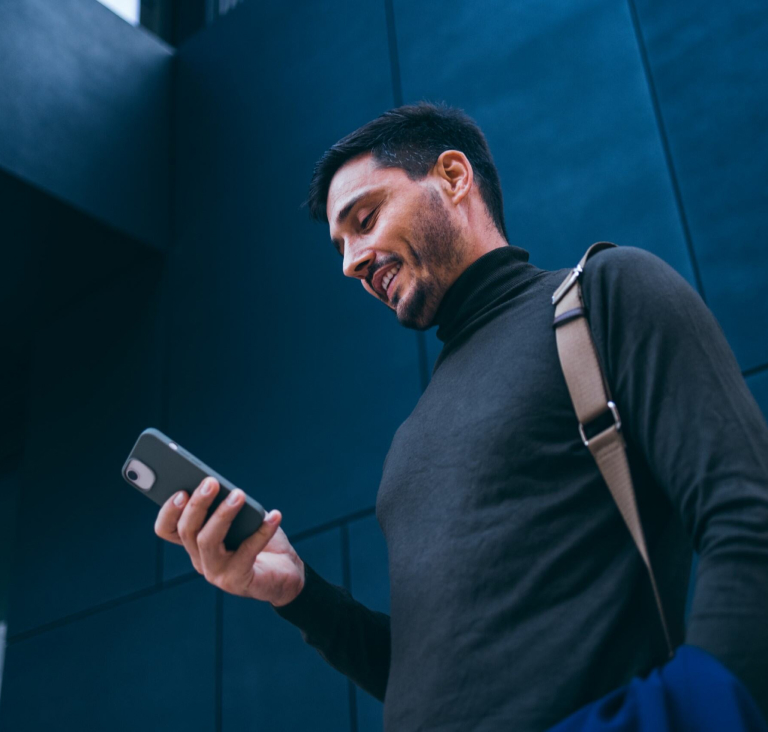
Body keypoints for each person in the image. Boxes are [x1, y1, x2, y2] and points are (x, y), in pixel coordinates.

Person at [153, 102, 768, 731]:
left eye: (364, 220)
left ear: (452, 176)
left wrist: (694, 713)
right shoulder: (409, 438)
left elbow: (749, 515)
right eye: (340, 246)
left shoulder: (606, 296)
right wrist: (299, 594)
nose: (350, 263)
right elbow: (435, 681)